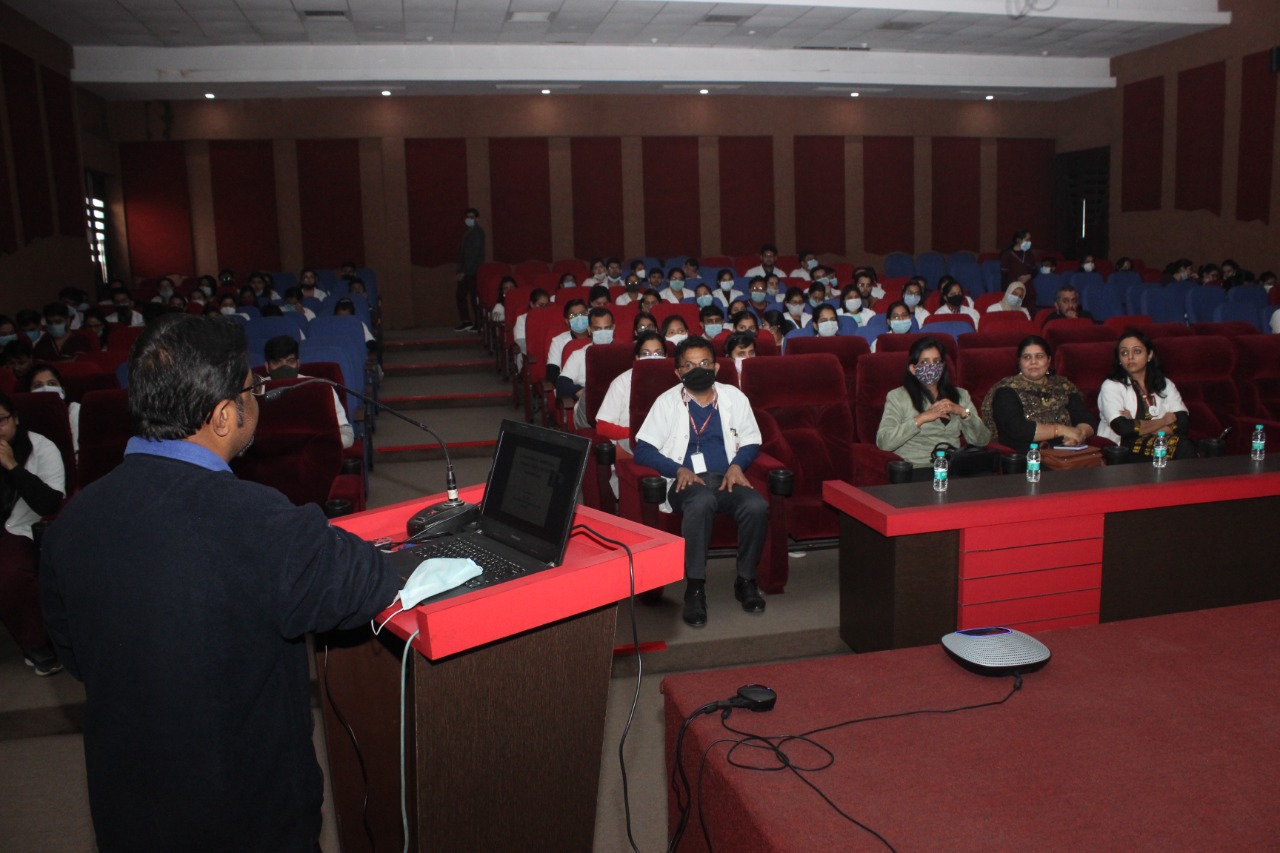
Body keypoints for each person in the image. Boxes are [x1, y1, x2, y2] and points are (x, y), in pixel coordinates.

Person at [39, 314, 399, 852]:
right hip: (246, 817)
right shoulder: (257, 520)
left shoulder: (72, 521)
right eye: (253, 390)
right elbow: (369, 582)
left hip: (127, 812)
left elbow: (74, 654)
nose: (260, 399)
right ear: (226, 415)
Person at [633, 336, 768, 627]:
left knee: (756, 506)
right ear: (678, 373)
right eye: (689, 365)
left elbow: (752, 440)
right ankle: (695, 588)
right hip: (685, 484)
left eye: (705, 363)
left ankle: (746, 580)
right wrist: (677, 469)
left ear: (717, 367)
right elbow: (643, 449)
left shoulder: (734, 397)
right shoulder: (667, 402)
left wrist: (737, 466)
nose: (698, 369)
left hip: (726, 479)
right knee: (701, 500)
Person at [0, 391, 66, 676]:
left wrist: (12, 466)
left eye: (1, 421)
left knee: (10, 574)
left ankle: (36, 644)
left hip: (20, 528)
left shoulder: (41, 447)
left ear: (15, 418)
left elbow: (50, 503)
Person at [876, 337, 990, 467]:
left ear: (942, 366)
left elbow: (982, 440)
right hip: (918, 468)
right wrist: (921, 419)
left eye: (936, 361)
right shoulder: (898, 397)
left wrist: (963, 412)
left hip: (953, 467)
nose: (932, 367)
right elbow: (884, 442)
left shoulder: (961, 395)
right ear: (913, 368)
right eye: (925, 362)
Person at [981, 335, 1095, 454]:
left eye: (1039, 356)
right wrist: (1061, 430)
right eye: (1027, 357)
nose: (1033, 362)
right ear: (1019, 362)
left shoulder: (1063, 385)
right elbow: (1018, 429)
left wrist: (1079, 434)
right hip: (1028, 454)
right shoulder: (1006, 390)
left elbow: (1087, 419)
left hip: (1068, 451)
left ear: (1049, 360)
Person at [1097, 330, 1192, 460]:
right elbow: (1122, 427)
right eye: (1124, 353)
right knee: (1182, 447)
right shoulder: (1111, 386)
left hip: (1159, 440)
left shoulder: (1165, 384)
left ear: (1149, 355)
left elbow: (1182, 423)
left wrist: (1139, 427)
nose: (1130, 357)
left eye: (1137, 351)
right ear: (1119, 359)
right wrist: (1164, 421)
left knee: (1185, 445)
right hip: (1123, 446)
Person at [262, 335, 355, 448]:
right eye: (277, 363)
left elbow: (346, 433)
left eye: (290, 361)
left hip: (314, 453)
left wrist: (323, 447)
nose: (284, 368)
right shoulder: (256, 392)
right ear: (267, 367)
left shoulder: (319, 388)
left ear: (298, 364)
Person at [594, 330, 666, 453]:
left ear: (666, 356)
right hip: (630, 442)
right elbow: (603, 427)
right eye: (646, 353)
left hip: (669, 442)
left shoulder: (676, 380)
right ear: (637, 357)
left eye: (658, 353)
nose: (652, 357)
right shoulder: (622, 382)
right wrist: (639, 434)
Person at [27, 363, 81, 456]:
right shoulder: (25, 418)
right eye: (38, 385)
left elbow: (77, 454)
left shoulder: (74, 410)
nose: (46, 389)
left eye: (52, 384)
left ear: (62, 390)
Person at [455, 206, 485, 331]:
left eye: (472, 217)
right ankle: (467, 321)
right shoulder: (468, 232)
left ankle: (478, 323)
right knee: (461, 295)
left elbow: (473, 255)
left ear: (477, 218)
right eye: (467, 217)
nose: (469, 219)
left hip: (473, 271)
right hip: (467, 270)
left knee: (473, 297)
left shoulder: (477, 233)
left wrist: (464, 271)